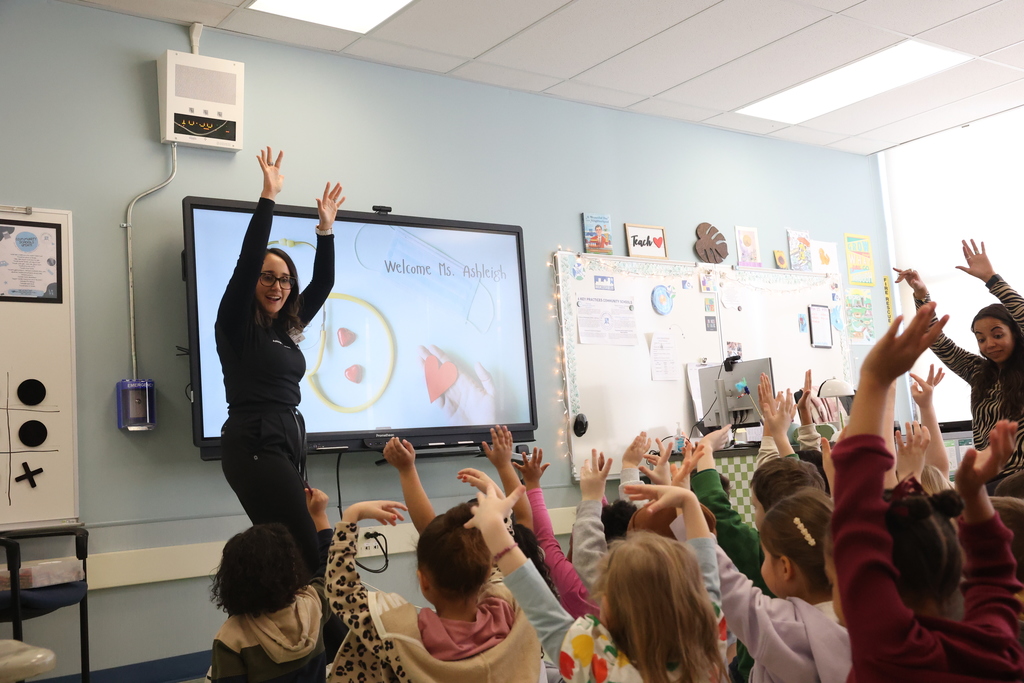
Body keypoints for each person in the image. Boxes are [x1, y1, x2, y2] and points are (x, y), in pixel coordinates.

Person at [830, 301, 1024, 682]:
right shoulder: (998, 648)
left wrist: (873, 381)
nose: (988, 344)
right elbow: (996, 573)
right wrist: (973, 493)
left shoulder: (890, 652)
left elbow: (993, 572)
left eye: (835, 574)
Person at [216, 147, 344, 574]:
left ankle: (296, 634)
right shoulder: (237, 325)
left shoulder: (283, 329)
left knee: (289, 556)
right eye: (268, 277)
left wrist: (325, 231)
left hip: (285, 438)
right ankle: (326, 637)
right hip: (254, 440)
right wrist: (268, 197)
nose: (278, 286)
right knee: (306, 551)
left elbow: (323, 281)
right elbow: (247, 259)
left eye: (286, 279)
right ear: (253, 281)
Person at [472, 477, 729, 683]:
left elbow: (537, 601)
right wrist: (689, 501)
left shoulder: (596, 663)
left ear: (616, 613)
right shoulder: (707, 637)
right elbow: (706, 570)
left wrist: (494, 527)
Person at [326, 499, 545, 683]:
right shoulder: (514, 611)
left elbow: (342, 591)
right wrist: (500, 520)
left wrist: (351, 515)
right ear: (487, 571)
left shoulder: (400, 637)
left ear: (423, 581)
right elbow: (505, 567)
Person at [895, 239, 1024, 486]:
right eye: (981, 338)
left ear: (1016, 334)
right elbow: (937, 342)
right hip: (986, 480)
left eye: (998, 335)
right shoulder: (979, 372)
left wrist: (991, 278)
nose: (989, 344)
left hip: (1019, 480)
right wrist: (922, 295)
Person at [209, 489, 334, 683]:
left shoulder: (231, 638)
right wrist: (319, 515)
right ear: (291, 569)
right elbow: (332, 568)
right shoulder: (312, 605)